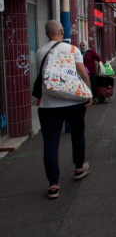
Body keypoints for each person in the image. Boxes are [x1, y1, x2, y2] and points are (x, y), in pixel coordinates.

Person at [36, 20, 92, 199]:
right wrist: (88, 93)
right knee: (77, 134)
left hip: (48, 105)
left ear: (46, 34)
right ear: (62, 30)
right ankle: (79, 167)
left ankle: (53, 185)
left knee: (51, 144)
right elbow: (82, 73)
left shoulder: (40, 52)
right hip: (73, 102)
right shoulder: (73, 50)